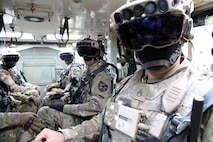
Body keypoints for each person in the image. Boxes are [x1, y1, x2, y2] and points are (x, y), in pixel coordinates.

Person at [35, 0, 213, 142]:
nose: (148, 45)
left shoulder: (204, 96)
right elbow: (103, 121)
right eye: (137, 37)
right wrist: (64, 135)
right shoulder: (127, 84)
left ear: (185, 33)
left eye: (162, 34)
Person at [36, 36, 117, 133]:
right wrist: (64, 96)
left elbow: (96, 107)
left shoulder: (102, 76)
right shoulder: (87, 71)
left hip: (89, 121)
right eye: (82, 51)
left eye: (89, 52)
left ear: (99, 53)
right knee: (47, 101)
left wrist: (64, 108)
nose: (85, 55)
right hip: (79, 113)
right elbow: (78, 92)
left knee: (44, 112)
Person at [0, 77, 45, 142]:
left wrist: (24, 98)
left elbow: (7, 95)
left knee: (32, 110)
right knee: (29, 132)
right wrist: (20, 118)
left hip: (7, 113)